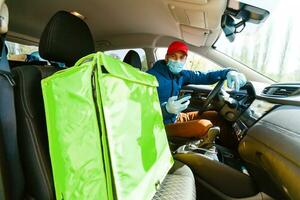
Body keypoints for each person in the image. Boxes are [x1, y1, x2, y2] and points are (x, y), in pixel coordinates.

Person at [147, 41, 246, 139]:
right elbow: (143, 109)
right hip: (159, 126)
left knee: (215, 116)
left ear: (185, 59)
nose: (177, 61)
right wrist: (166, 109)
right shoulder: (150, 77)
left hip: (176, 118)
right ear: (166, 57)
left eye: (181, 58)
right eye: (173, 56)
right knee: (204, 126)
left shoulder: (181, 75)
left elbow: (206, 76)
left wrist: (229, 72)